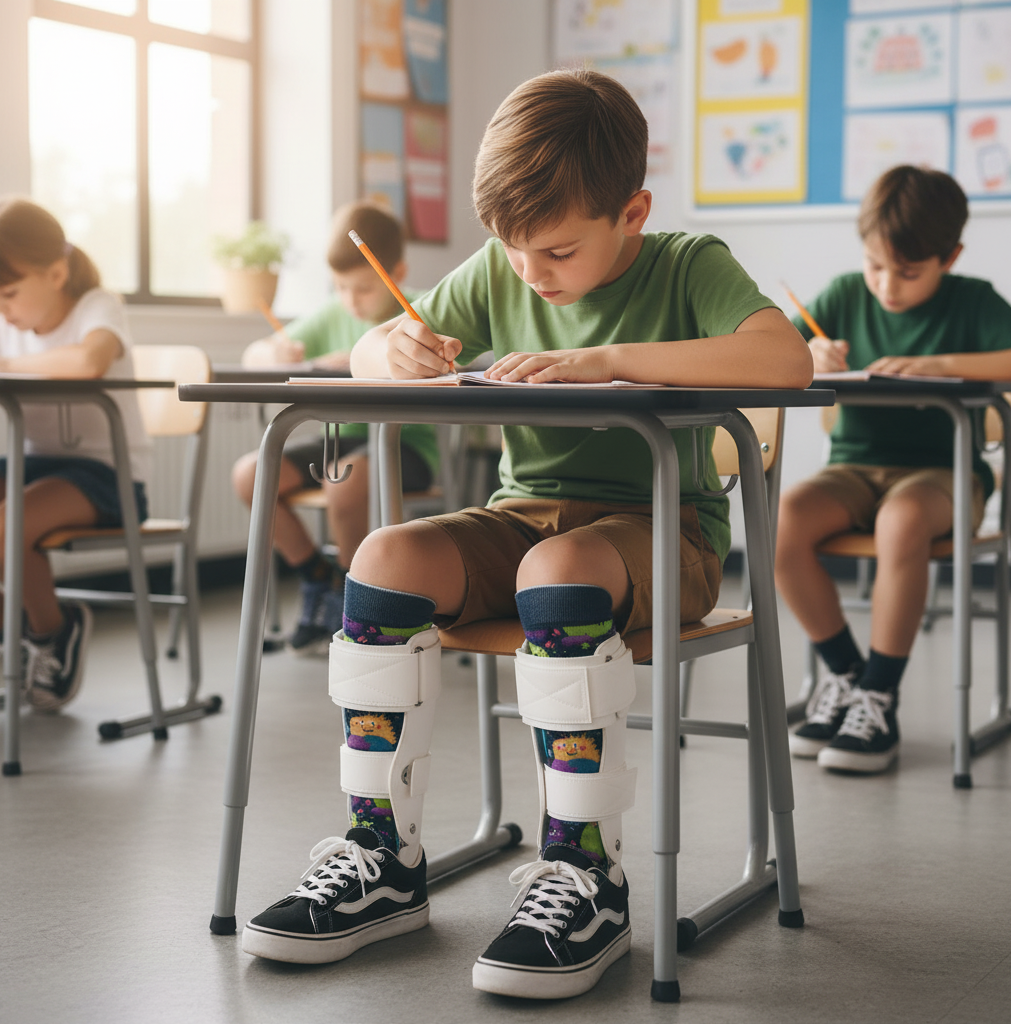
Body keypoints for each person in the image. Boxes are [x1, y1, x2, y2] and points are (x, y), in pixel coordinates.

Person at [240, 70, 811, 998]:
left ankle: (585, 870)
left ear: (633, 211)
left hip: (667, 533)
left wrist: (606, 362)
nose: (528, 275)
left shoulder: (684, 264)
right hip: (524, 524)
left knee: (561, 568)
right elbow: (367, 347)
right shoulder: (503, 265)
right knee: (385, 557)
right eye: (509, 251)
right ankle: (382, 858)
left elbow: (780, 358)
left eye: (554, 252)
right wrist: (395, 348)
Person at [775, 165, 1011, 775]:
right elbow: (773, 354)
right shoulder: (841, 294)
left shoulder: (974, 301)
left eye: (908, 273)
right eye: (875, 265)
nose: (887, 286)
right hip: (854, 469)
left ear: (950, 256)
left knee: (902, 522)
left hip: (942, 472)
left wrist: (942, 364)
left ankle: (879, 697)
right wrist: (808, 354)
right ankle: (851, 678)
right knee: (779, 522)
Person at [231, 201, 438, 655]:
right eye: (341, 287)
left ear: (396, 272)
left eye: (362, 288)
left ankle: (353, 600)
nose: (350, 300)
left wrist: (358, 359)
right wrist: (276, 354)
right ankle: (316, 576)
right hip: (345, 442)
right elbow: (256, 354)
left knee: (343, 483)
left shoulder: (422, 308)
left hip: (407, 444)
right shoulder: (332, 312)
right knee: (253, 474)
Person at [0, 196, 152, 711]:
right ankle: (15, 630)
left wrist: (6, 363)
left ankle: (51, 632)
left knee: (3, 528)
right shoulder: (6, 321)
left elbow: (89, 360)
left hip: (107, 475)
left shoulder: (96, 306)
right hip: (33, 466)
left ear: (56, 272)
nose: (2, 307)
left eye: (10, 293)